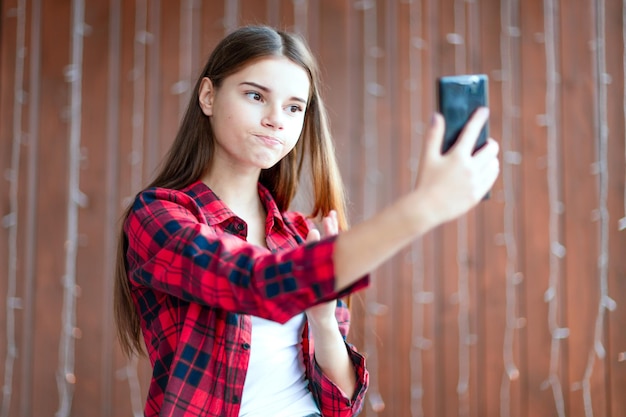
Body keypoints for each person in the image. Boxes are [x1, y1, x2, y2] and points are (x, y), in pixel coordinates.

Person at [113, 25, 499, 417]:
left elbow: (342, 403)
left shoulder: (300, 234)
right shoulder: (157, 216)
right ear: (208, 96)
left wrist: (322, 319)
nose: (276, 119)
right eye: (255, 95)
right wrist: (424, 207)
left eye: (294, 107)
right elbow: (258, 282)